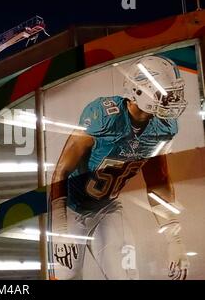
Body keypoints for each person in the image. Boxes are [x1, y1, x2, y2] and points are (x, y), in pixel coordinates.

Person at [49, 55, 189, 280]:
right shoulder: (104, 117)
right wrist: (59, 228)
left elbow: (157, 182)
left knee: (125, 275)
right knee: (68, 276)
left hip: (107, 207)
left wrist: (174, 238)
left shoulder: (162, 127)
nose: (171, 99)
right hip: (73, 209)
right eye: (165, 92)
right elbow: (61, 171)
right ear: (140, 90)